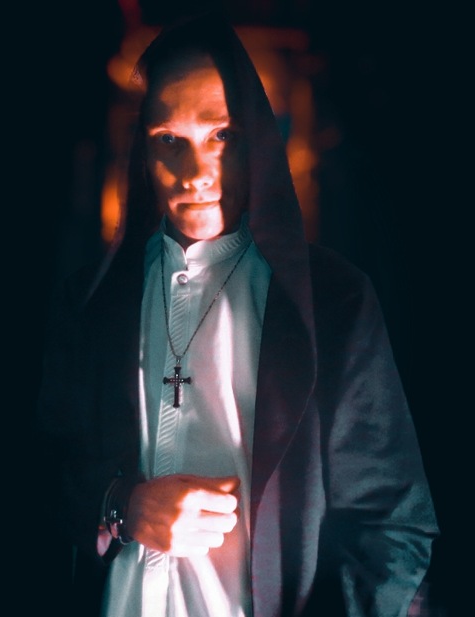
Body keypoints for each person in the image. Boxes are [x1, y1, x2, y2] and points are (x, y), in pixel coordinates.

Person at [36, 11, 439, 617]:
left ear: (257, 139)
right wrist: (120, 505)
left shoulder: (333, 302)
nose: (195, 174)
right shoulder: (89, 300)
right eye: (169, 139)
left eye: (220, 136)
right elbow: (38, 477)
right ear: (142, 150)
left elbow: (394, 527)